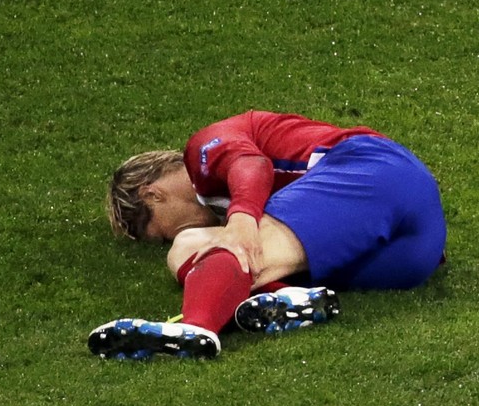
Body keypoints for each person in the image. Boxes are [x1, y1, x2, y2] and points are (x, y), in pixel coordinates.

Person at [91, 110, 447, 360]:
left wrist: (242, 220)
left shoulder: (202, 150)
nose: (168, 236)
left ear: (151, 194)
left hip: (373, 170)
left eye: (155, 231)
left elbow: (251, 165)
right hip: (411, 251)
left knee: (205, 245)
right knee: (193, 246)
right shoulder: (231, 205)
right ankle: (288, 299)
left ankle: (196, 328)